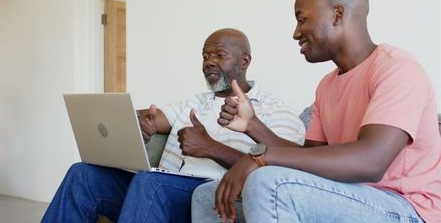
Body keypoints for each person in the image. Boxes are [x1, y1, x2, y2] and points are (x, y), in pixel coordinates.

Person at [192, 0, 441, 223]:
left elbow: (371, 162)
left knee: (269, 183)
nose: (295, 33)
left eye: (302, 20)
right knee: (208, 195)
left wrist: (261, 157)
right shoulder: (327, 85)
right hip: (348, 196)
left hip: (406, 208)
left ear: (337, 14)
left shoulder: (397, 69)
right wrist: (252, 125)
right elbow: (309, 158)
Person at [41, 28, 306, 223]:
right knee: (83, 174)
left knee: (150, 182)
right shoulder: (195, 102)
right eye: (205, 55)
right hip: (157, 187)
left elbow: (280, 172)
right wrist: (137, 124)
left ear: (245, 61)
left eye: (220, 55)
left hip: (213, 195)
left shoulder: (275, 110)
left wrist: (210, 148)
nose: (209, 61)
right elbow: (151, 117)